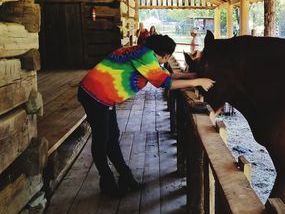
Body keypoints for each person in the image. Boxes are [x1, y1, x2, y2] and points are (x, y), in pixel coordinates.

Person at [77, 34, 214, 197]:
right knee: (102, 139)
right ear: (167, 56)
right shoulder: (146, 56)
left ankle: (125, 177)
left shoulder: (145, 53)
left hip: (102, 95)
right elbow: (167, 84)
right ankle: (107, 182)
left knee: (111, 136)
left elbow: (166, 75)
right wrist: (197, 82)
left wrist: (191, 76)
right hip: (94, 94)